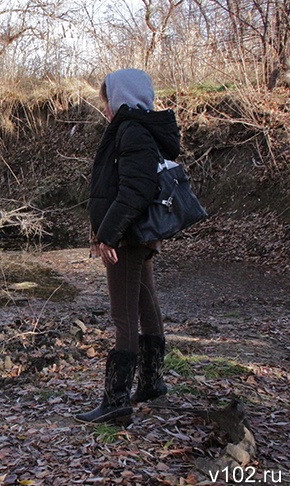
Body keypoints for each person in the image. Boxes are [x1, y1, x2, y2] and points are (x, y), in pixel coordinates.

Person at [76, 68, 180, 423]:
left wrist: (107, 234)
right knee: (146, 306)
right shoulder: (140, 127)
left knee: (124, 316)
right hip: (138, 234)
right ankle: (151, 383)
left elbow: (135, 190)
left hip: (127, 237)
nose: (104, 107)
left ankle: (116, 401)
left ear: (118, 98)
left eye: (106, 99)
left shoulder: (131, 130)